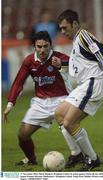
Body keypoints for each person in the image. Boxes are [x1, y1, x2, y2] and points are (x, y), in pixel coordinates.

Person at [3, 31, 84, 166]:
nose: (42, 50)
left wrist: (62, 64)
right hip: (40, 103)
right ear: (34, 47)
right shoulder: (29, 61)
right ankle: (31, 160)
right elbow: (18, 82)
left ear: (50, 46)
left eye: (46, 46)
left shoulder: (58, 57)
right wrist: (10, 104)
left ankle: (80, 154)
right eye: (39, 46)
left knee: (67, 125)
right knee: (22, 135)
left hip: (62, 99)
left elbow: (72, 63)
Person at [55, 9, 103, 171]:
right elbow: (84, 64)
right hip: (85, 85)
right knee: (60, 114)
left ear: (75, 24)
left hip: (94, 84)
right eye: (60, 29)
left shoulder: (83, 35)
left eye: (65, 27)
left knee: (70, 122)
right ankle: (77, 153)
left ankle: (92, 158)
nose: (63, 32)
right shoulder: (77, 41)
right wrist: (62, 65)